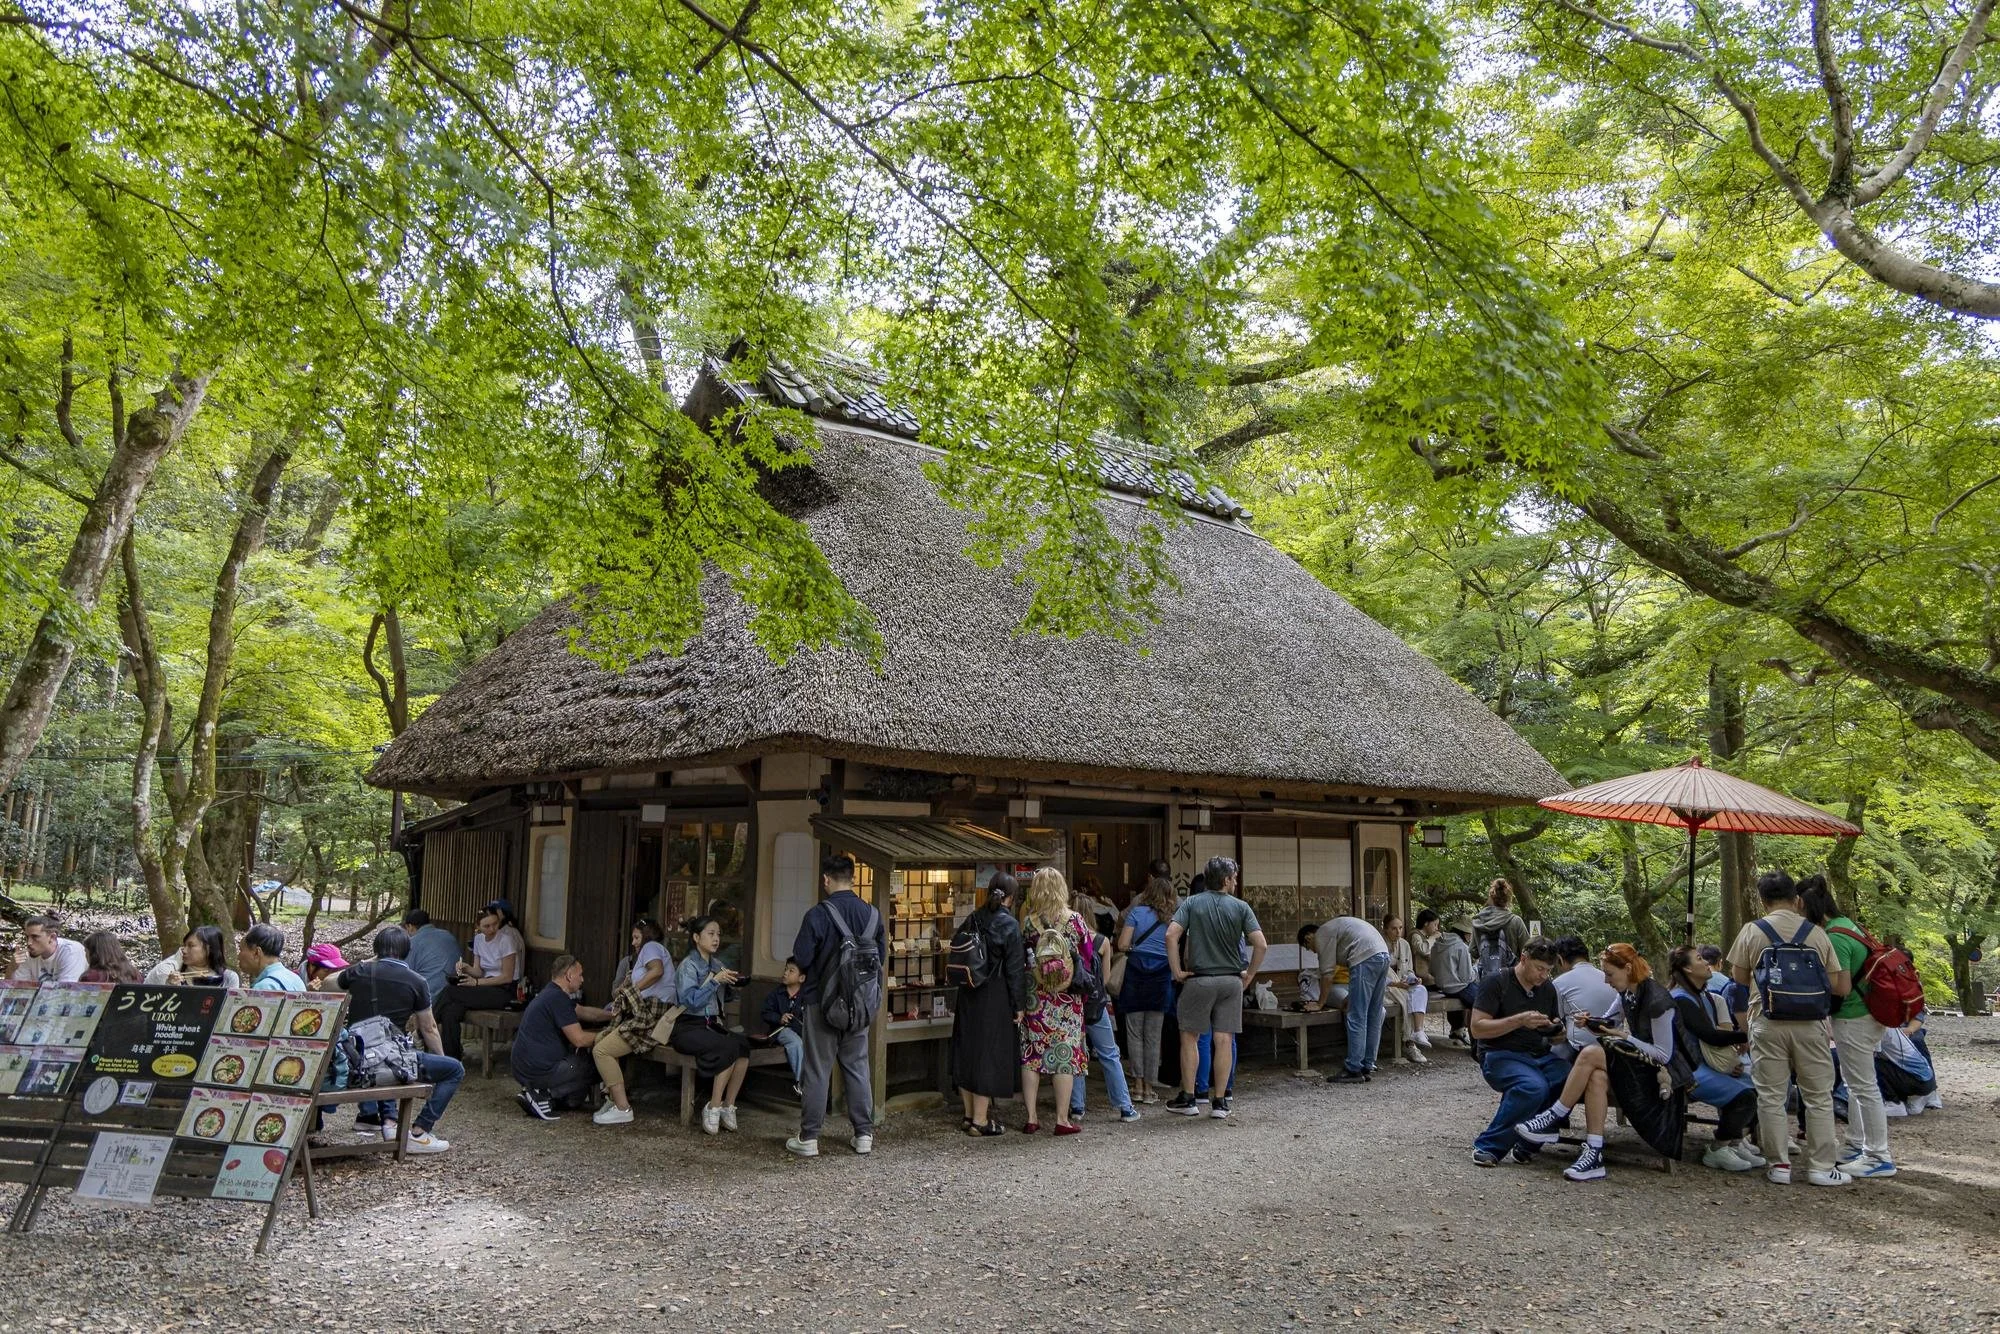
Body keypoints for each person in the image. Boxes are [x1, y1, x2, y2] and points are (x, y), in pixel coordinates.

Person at [1726, 868, 1852, 1187]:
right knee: (1818, 1095)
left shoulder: (1752, 931)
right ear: (1796, 900)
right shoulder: (1816, 933)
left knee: (1771, 1094)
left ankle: (1778, 1164)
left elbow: (1739, 979)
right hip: (1810, 1023)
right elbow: (1838, 984)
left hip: (1766, 1020)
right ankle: (1822, 1167)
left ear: (1762, 900)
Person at [786, 853, 886, 1158]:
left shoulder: (817, 915)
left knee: (817, 1070)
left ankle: (810, 1137)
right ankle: (863, 1134)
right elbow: (879, 958)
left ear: (826, 879)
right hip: (860, 1005)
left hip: (822, 1002)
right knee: (857, 1067)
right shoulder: (873, 915)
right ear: (853, 879)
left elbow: (801, 958)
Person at [331, 925, 462, 1153]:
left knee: (388, 1058)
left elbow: (327, 982)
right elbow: (429, 1027)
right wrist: (439, 1059)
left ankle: (389, 1123)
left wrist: (367, 963)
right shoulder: (416, 981)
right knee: (453, 1070)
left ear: (376, 949)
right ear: (407, 951)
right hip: (391, 1063)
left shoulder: (361, 972)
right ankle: (420, 1131)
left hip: (356, 1064)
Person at [1801, 876, 1897, 1179]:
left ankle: (1878, 1155)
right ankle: (1857, 1144)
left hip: (1854, 1017)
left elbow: (1841, 986)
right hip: (1868, 1014)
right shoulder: (1850, 925)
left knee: (1864, 1086)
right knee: (1857, 1084)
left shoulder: (1834, 936)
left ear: (1807, 905)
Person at [1165, 856, 1267, 1119]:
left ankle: (1189, 1097)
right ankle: (1220, 1102)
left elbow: (1171, 935)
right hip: (1232, 980)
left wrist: (1177, 971)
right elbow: (1261, 944)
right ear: (1225, 880)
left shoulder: (1192, 903)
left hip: (1199, 979)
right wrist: (1250, 974)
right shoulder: (1241, 907)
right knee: (1225, 1039)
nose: (1235, 882)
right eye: (1234, 878)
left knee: (1190, 1037)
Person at [1468, 936, 1565, 1168]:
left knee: (1569, 1078)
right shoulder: (1496, 982)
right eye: (1539, 968)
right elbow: (1477, 1028)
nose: (1543, 975)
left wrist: (1556, 1030)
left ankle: (1528, 1143)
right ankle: (1489, 1146)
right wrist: (1520, 1021)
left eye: (1548, 970)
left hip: (1538, 1054)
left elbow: (1554, 1031)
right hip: (1499, 1053)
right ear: (1524, 959)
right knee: (1532, 1087)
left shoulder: (1548, 989)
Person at [1667, 944, 1761, 1171]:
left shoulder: (1703, 997)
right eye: (1699, 959)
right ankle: (1718, 1148)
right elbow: (1709, 1035)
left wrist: (1731, 1062)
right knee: (1744, 1097)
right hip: (1687, 1069)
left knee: (1759, 1089)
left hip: (1704, 1063)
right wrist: (1746, 1035)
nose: (1706, 964)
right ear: (1687, 969)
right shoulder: (1681, 999)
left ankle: (1735, 1142)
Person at [950, 872, 1028, 1136]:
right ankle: (981, 1121)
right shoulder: (1010, 925)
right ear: (1010, 898)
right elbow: (1016, 970)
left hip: (968, 991)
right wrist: (1019, 1005)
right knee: (987, 1054)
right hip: (994, 996)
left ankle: (969, 1114)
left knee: (967, 1050)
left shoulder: (973, 917)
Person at [1018, 868, 1090, 1135]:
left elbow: (1023, 957)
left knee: (1031, 1056)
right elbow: (1087, 953)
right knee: (1065, 1056)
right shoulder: (1075, 921)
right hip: (1066, 998)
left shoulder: (1028, 922)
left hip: (1035, 996)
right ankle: (1062, 1119)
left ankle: (1032, 1117)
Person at [590, 917, 678, 1126]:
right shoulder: (646, 955)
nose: (634, 942)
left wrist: (631, 989)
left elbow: (657, 971)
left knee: (602, 1051)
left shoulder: (651, 947)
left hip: (651, 1015)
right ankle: (613, 1099)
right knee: (601, 1038)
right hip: (649, 1013)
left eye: (636, 937)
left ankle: (623, 1107)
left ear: (646, 936)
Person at [671, 914, 753, 1135]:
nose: (716, 938)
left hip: (711, 1025)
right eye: (710, 934)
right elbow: (690, 1001)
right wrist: (715, 981)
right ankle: (713, 1105)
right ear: (697, 937)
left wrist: (733, 985)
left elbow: (723, 1000)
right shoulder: (688, 966)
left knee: (743, 1047)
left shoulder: (717, 964)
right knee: (727, 1047)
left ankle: (728, 1105)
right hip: (688, 1026)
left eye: (718, 934)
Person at [512, 955, 615, 1120]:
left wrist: (612, 1015)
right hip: (539, 1070)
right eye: (580, 974)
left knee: (576, 1093)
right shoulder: (557, 998)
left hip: (525, 1066)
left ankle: (553, 1097)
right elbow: (579, 1039)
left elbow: (584, 1012)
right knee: (594, 1066)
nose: (582, 979)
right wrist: (611, 1036)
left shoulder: (551, 994)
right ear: (568, 975)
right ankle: (543, 1094)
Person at [1301, 915, 1391, 1084]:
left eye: (1309, 947)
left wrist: (1320, 1004)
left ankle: (1353, 1068)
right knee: (1373, 1012)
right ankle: (1367, 1064)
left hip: (1364, 957)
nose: (1313, 951)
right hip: (1382, 954)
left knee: (1356, 1015)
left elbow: (1327, 974)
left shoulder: (1322, 934)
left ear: (1308, 938)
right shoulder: (1335, 927)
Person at [1070, 910, 1140, 1126]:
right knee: (1109, 1054)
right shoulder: (1102, 941)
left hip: (1072, 1002)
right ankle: (1125, 1106)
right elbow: (1107, 979)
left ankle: (1077, 1107)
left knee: (1076, 1054)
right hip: (1096, 1003)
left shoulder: (1067, 940)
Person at [1114, 873, 1176, 1103]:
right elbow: (1175, 949)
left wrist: (1134, 948)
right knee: (1153, 1035)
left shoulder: (1136, 913)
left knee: (1134, 1032)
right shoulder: (1172, 920)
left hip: (1136, 975)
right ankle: (1150, 1088)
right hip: (1161, 977)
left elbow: (1121, 944)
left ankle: (1137, 1086)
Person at [435, 906, 521, 1061]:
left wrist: (476, 983)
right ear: (478, 927)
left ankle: (426, 1027)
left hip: (504, 990)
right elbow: (479, 971)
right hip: (484, 985)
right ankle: (452, 1059)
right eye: (486, 926)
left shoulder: (506, 940)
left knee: (450, 991)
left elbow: (507, 977)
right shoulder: (479, 940)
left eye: (495, 924)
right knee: (451, 1012)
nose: (492, 929)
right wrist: (466, 968)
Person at [1550, 936, 1621, 1063]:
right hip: (1615, 1047)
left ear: (1560, 959)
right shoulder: (1610, 979)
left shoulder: (1559, 983)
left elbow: (1557, 1021)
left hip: (1579, 1050)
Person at [1380, 914, 1432, 1062]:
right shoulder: (1379, 945)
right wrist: (1396, 984)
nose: (1398, 932)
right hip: (1386, 988)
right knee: (1406, 1000)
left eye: (1400, 928)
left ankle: (1418, 1030)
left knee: (1420, 989)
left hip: (1402, 985)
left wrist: (1413, 979)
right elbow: (1376, 977)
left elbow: (1408, 970)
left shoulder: (1405, 945)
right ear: (1385, 929)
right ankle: (1409, 1043)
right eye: (1393, 928)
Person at [1418, 910, 1475, 1042]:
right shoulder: (1462, 947)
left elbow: (1432, 970)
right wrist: (1475, 971)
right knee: (1482, 1001)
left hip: (1441, 986)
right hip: (1458, 988)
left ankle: (1457, 1029)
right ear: (1466, 934)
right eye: (1471, 934)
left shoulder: (1437, 943)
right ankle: (1478, 1043)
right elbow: (1466, 977)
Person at [760, 956, 811, 1092]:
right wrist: (779, 1018)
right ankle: (800, 1083)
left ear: (801, 978)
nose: (785, 973)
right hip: (780, 1031)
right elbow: (765, 1013)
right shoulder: (776, 993)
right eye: (785, 969)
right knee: (795, 1043)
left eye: (791, 971)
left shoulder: (807, 996)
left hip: (801, 1031)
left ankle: (812, 1085)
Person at [144, 925, 240, 987]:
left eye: (191, 946)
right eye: (184, 945)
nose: (184, 950)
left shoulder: (229, 978)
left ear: (208, 949)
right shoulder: (172, 974)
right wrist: (170, 987)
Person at [1471, 879, 1529, 981]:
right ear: (1508, 900)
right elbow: (1528, 949)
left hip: (1486, 979)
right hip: (1512, 978)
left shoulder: (1479, 921)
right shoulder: (1515, 921)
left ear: (1491, 898)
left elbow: (1473, 951)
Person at [401, 908, 463, 999]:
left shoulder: (412, 942)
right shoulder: (448, 935)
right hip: (454, 993)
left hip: (428, 998)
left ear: (410, 926)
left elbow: (403, 975)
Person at [10, 916, 86, 983]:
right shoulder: (27, 955)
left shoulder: (71, 951)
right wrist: (12, 967)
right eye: (27, 937)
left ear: (52, 937)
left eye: (35, 937)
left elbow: (66, 992)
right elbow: (15, 990)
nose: (29, 943)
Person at [240, 923, 304, 992]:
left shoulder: (263, 988)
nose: (238, 956)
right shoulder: (296, 980)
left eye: (241, 950)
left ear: (257, 953)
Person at [79, 931, 143, 984]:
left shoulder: (90, 977)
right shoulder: (134, 974)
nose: (85, 955)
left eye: (86, 951)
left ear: (93, 953)